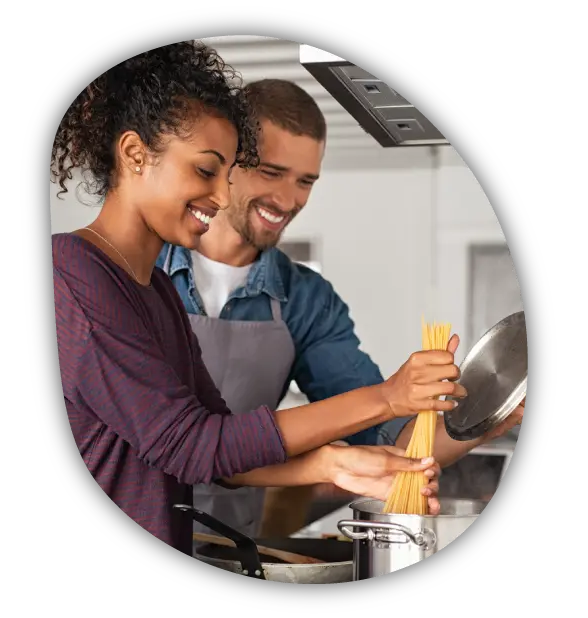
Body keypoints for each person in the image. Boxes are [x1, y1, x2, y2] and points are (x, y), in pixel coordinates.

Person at [50, 42, 466, 558]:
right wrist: (386, 395)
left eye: (225, 176)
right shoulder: (72, 277)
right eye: (206, 171)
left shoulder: (153, 291)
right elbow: (193, 446)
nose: (221, 197)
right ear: (135, 154)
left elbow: (221, 446)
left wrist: (333, 464)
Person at [157, 78, 525, 538]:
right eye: (271, 173)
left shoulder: (307, 300)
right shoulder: (141, 271)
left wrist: (494, 414)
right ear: (227, 161)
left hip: (232, 542)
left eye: (305, 181)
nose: (288, 200)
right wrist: (384, 401)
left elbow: (387, 441)